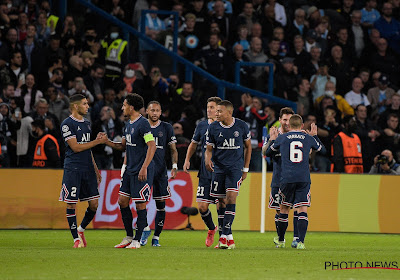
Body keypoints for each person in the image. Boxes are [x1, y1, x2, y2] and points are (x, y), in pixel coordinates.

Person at [265, 115, 326, 249]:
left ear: (289, 126)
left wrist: (272, 139)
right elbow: (323, 150)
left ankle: (281, 241)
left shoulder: (282, 138)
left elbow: (268, 153)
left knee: (284, 209)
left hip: (287, 178)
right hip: (303, 178)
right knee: (302, 208)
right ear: (302, 126)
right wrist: (315, 136)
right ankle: (300, 242)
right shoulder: (308, 138)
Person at [105, 93, 156, 249]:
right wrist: (106, 141)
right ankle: (128, 236)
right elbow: (123, 146)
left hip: (142, 169)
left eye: (124, 105)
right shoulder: (128, 124)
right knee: (122, 201)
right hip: (130, 169)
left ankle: (137, 240)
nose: (122, 107)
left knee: (140, 204)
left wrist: (144, 167)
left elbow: (152, 146)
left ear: (131, 107)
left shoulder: (143, 124)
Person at [59, 94, 107, 248]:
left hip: (88, 169)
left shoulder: (87, 123)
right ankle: (75, 239)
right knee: (71, 204)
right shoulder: (67, 124)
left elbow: (88, 148)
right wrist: (97, 141)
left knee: (94, 204)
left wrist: (95, 168)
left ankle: (81, 229)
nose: (88, 106)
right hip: (73, 168)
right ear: (75, 106)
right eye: (85, 104)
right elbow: (76, 147)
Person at [205, 100, 252, 249]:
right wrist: (207, 159)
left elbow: (248, 147)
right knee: (221, 203)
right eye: (216, 111)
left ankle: (223, 235)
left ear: (229, 112)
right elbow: (209, 149)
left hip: (235, 169)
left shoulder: (241, 126)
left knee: (231, 197)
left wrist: (245, 169)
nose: (216, 114)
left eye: (220, 111)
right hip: (218, 169)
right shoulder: (212, 128)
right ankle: (229, 237)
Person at [183, 97, 222, 248]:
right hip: (205, 173)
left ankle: (223, 238)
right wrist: (187, 160)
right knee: (202, 207)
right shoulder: (202, 126)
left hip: (220, 172)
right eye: (208, 107)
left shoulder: (225, 126)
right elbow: (193, 144)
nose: (209, 110)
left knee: (221, 206)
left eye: (212, 107)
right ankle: (212, 228)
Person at [263, 107, 303, 248]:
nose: (287, 123)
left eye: (289, 120)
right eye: (284, 119)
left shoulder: (299, 135)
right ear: (279, 120)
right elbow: (264, 151)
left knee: (298, 208)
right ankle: (281, 239)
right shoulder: (274, 133)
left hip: (295, 178)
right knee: (279, 210)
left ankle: (297, 239)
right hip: (278, 179)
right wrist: (271, 140)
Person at [140, 101, 178, 247]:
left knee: (160, 205)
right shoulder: (142, 126)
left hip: (161, 171)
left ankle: (156, 237)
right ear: (147, 112)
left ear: (160, 112)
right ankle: (144, 229)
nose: (155, 113)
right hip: (145, 170)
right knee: (141, 202)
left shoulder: (166, 127)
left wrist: (174, 166)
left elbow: (173, 149)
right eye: (152, 110)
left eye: (157, 111)